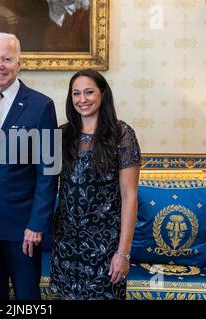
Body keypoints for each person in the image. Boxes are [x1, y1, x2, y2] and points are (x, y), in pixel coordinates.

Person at [0, 32, 58, 300]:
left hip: (23, 227)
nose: (0, 65)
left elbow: (49, 171)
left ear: (19, 62)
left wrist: (37, 224)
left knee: (27, 297)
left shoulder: (42, 106)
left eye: (7, 59)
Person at [50, 69, 141, 300]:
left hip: (105, 245)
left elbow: (130, 196)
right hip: (66, 244)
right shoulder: (62, 134)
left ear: (102, 93)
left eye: (89, 92)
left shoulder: (122, 134)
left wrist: (123, 253)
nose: (82, 99)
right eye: (76, 93)